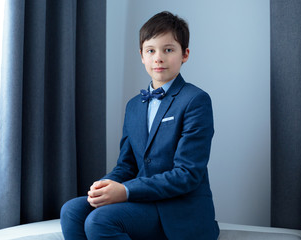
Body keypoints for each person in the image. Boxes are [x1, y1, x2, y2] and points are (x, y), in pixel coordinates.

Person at [60, 11, 219, 240]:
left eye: (168, 49)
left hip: (178, 210)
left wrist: (125, 191)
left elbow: (187, 174)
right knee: (72, 211)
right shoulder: (134, 106)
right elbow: (127, 165)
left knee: (100, 220)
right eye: (151, 50)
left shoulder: (196, 100)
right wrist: (106, 185)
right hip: (143, 201)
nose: (158, 58)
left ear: (185, 54)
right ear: (141, 55)